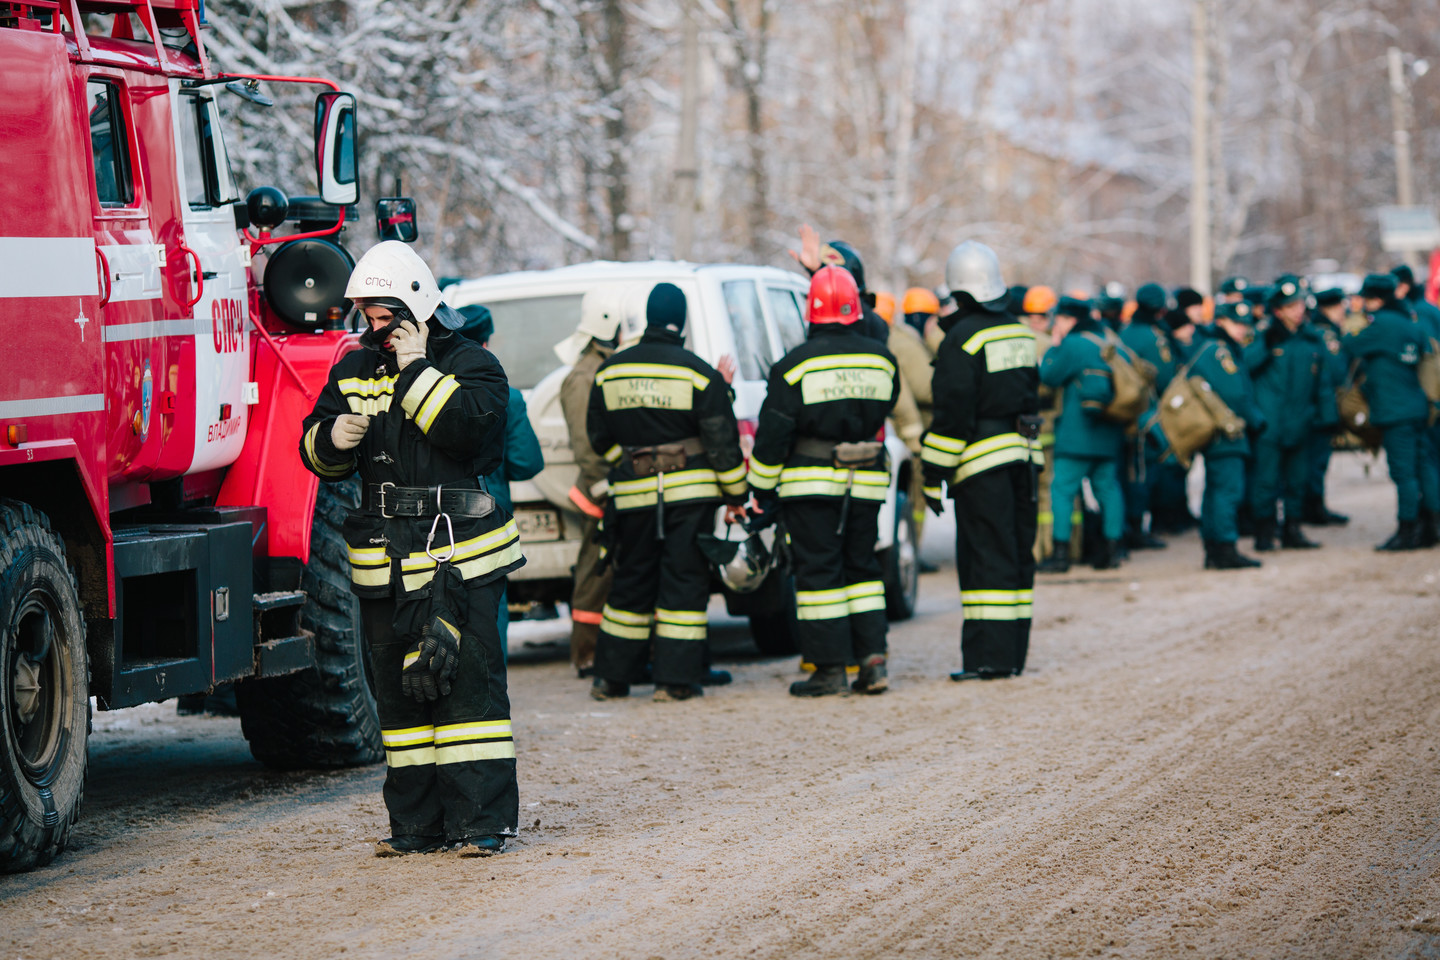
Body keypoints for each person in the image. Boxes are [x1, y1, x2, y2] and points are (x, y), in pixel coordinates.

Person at [299, 241, 522, 858]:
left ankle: (479, 823)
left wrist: (419, 370)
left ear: (416, 305)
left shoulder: (475, 365)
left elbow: (471, 431)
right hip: (385, 564)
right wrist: (330, 438)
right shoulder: (353, 369)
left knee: (467, 690)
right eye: (366, 316)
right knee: (398, 699)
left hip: (460, 556)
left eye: (382, 315)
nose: (372, 328)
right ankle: (416, 826)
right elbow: (314, 454)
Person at [586, 283, 747, 702]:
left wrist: (633, 463)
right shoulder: (698, 372)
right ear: (682, 321)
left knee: (631, 584)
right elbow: (722, 444)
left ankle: (612, 678)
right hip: (690, 499)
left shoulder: (610, 371)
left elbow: (598, 438)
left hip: (634, 498)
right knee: (683, 585)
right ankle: (674, 682)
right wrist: (735, 495)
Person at [747, 265, 899, 696]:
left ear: (810, 312)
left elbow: (773, 435)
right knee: (863, 569)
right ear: (854, 309)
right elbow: (886, 408)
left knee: (819, 574)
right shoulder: (882, 360)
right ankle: (873, 662)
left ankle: (830, 669)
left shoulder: (792, 368)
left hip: (810, 487)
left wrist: (759, 489)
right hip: (866, 480)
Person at [920, 241, 1043, 682]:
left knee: (984, 557)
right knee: (1015, 554)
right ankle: (1012, 655)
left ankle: (986, 660)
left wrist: (933, 476)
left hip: (981, 465)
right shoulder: (1020, 332)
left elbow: (952, 415)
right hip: (1026, 458)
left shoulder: (961, 338)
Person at [456, 305, 543, 652]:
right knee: (490, 606)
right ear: (487, 343)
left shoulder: (426, 388)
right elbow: (526, 463)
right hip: (489, 517)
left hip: (434, 521)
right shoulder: (509, 397)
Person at [554, 289, 628, 676]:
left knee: (610, 574)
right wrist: (605, 489)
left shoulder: (600, 367)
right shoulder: (584, 377)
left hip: (609, 488)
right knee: (594, 576)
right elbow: (588, 446)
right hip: (598, 492)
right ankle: (586, 654)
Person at [1345, 273, 1440, 550]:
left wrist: (1355, 318)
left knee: (1403, 473)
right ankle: (1432, 525)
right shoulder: (1408, 322)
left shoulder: (1380, 325)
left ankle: (1407, 530)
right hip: (1418, 407)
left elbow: (1350, 345)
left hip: (1395, 411)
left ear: (1373, 299)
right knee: (1424, 467)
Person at [1245, 275, 1337, 551]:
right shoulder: (1264, 337)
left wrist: (1327, 416)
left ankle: (1292, 530)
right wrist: (1266, 344)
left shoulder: (1312, 339)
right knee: (1266, 482)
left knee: (1297, 481)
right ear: (1278, 310)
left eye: (1300, 305)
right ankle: (1264, 532)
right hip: (1269, 425)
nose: (1299, 311)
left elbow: (1324, 381)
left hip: (1301, 422)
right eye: (1291, 306)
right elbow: (1244, 369)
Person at [1036, 297, 1126, 572]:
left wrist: (1054, 345)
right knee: (1108, 490)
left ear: (1068, 319)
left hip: (1076, 435)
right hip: (1108, 433)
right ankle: (1112, 550)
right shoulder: (1110, 342)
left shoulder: (1073, 344)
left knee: (1062, 491)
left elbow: (1048, 375)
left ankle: (1061, 554)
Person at [1191, 303, 1266, 569]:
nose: (1242, 329)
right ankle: (1225, 548)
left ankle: (1215, 548)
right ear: (1221, 321)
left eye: (1245, 324)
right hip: (1227, 432)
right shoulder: (1219, 351)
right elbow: (1236, 394)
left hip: (1219, 432)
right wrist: (1256, 419)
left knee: (1215, 491)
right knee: (1227, 492)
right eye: (1236, 323)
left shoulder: (1213, 348)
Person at [1120, 282, 1174, 549]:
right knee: (1142, 474)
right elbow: (1166, 378)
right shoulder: (1154, 338)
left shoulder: (1124, 332)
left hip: (1122, 413)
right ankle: (1137, 529)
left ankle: (1125, 527)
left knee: (1124, 473)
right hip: (1146, 416)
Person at [1302, 288, 1352, 526]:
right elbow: (1337, 369)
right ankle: (1313, 507)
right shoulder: (1326, 334)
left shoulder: (1316, 330)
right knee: (1316, 461)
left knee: (1315, 460)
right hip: (1321, 407)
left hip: (1316, 406)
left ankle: (1313, 505)